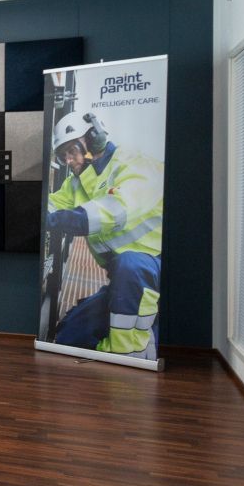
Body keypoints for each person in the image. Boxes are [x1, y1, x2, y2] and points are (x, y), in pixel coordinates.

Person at [45, 111, 164, 361]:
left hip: (152, 270)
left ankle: (128, 355)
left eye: (72, 150)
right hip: (122, 279)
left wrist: (62, 219)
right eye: (63, 155)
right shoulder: (77, 182)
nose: (68, 160)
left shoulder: (133, 163)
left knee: (130, 264)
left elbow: (115, 210)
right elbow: (53, 205)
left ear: (94, 139)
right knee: (69, 335)